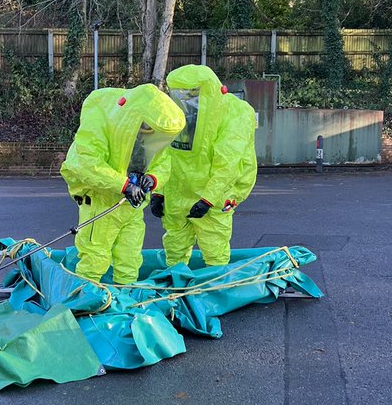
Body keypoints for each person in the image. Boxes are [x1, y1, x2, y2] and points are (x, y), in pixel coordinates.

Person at [60, 83, 185, 284]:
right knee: (94, 257)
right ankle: (83, 302)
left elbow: (164, 163)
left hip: (132, 207)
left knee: (130, 258)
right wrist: (124, 185)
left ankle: (124, 302)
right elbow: (86, 163)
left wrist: (152, 179)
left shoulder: (153, 135)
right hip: (101, 203)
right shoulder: (104, 119)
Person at [151, 65, 258, 267]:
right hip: (178, 192)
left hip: (215, 195)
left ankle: (216, 291)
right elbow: (165, 154)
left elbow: (227, 164)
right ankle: (177, 288)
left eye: (190, 95)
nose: (185, 101)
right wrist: (159, 192)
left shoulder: (235, 114)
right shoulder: (179, 115)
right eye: (180, 94)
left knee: (214, 248)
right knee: (175, 247)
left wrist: (208, 200)